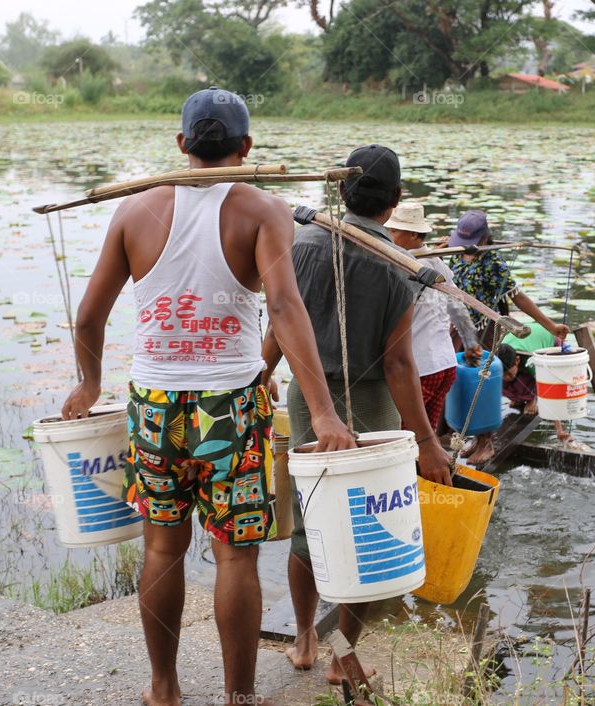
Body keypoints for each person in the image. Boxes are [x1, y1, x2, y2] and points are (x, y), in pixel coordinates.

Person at [60, 87, 356, 706]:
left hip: (155, 406)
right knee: (235, 560)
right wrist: (324, 412)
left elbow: (89, 317)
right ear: (246, 149)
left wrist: (89, 382)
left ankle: (163, 689)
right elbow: (282, 306)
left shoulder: (133, 211)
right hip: (232, 409)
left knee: (162, 548)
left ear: (182, 146)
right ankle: (238, 698)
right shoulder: (262, 208)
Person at [259, 145, 453, 685]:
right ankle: (343, 652)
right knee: (366, 523)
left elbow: (278, 324)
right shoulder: (401, 268)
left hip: (308, 398)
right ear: (393, 204)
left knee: (309, 519)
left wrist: (260, 376)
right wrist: (429, 441)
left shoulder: (300, 245)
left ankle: (303, 637)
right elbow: (397, 362)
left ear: (342, 192)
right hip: (371, 403)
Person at [448, 209, 571, 464]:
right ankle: (472, 437)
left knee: (480, 383)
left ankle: (486, 443)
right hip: (459, 327)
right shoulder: (456, 255)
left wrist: (550, 326)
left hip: (483, 330)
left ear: (483, 239)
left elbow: (517, 297)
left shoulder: (493, 262)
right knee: (461, 382)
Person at [386, 202, 482, 430]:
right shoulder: (438, 263)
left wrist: (470, 344)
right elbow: (457, 308)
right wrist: (470, 343)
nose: (388, 236)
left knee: (403, 433)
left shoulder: (408, 267)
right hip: (444, 366)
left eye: (393, 231)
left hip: (420, 368)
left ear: (412, 234)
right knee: (425, 432)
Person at [496, 325, 576, 444]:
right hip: (522, 335)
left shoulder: (533, 362)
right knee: (500, 382)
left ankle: (530, 398)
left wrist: (559, 431)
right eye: (501, 373)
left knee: (546, 379)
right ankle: (521, 398)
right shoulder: (497, 359)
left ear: (517, 361)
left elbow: (549, 390)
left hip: (547, 336)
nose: (504, 377)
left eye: (507, 373)